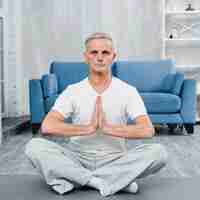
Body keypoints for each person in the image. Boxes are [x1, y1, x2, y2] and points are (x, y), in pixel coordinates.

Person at [25, 32, 168, 196]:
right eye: (94, 52)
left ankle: (78, 180)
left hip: (115, 160)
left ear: (113, 57)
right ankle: (107, 182)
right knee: (34, 147)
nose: (100, 58)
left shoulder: (128, 91)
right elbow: (47, 126)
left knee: (159, 152)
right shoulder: (72, 91)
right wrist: (88, 128)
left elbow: (147, 130)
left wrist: (107, 128)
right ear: (86, 57)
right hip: (76, 159)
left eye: (105, 53)